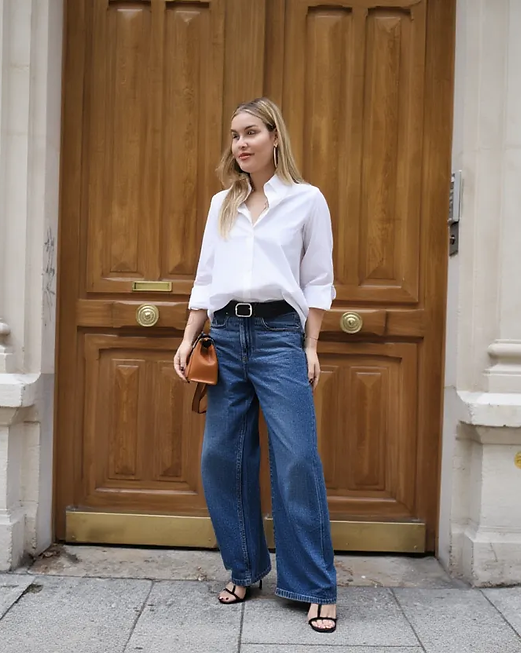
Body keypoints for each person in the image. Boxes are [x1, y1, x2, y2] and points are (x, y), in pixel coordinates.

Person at [173, 97, 338, 634]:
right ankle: (244, 569)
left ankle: (314, 585)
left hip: (277, 337)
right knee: (224, 457)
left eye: (250, 133)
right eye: (234, 135)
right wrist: (189, 335)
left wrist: (310, 345)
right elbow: (205, 275)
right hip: (224, 335)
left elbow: (318, 280)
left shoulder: (307, 200)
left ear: (274, 136)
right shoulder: (223, 203)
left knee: (296, 459)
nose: (240, 144)